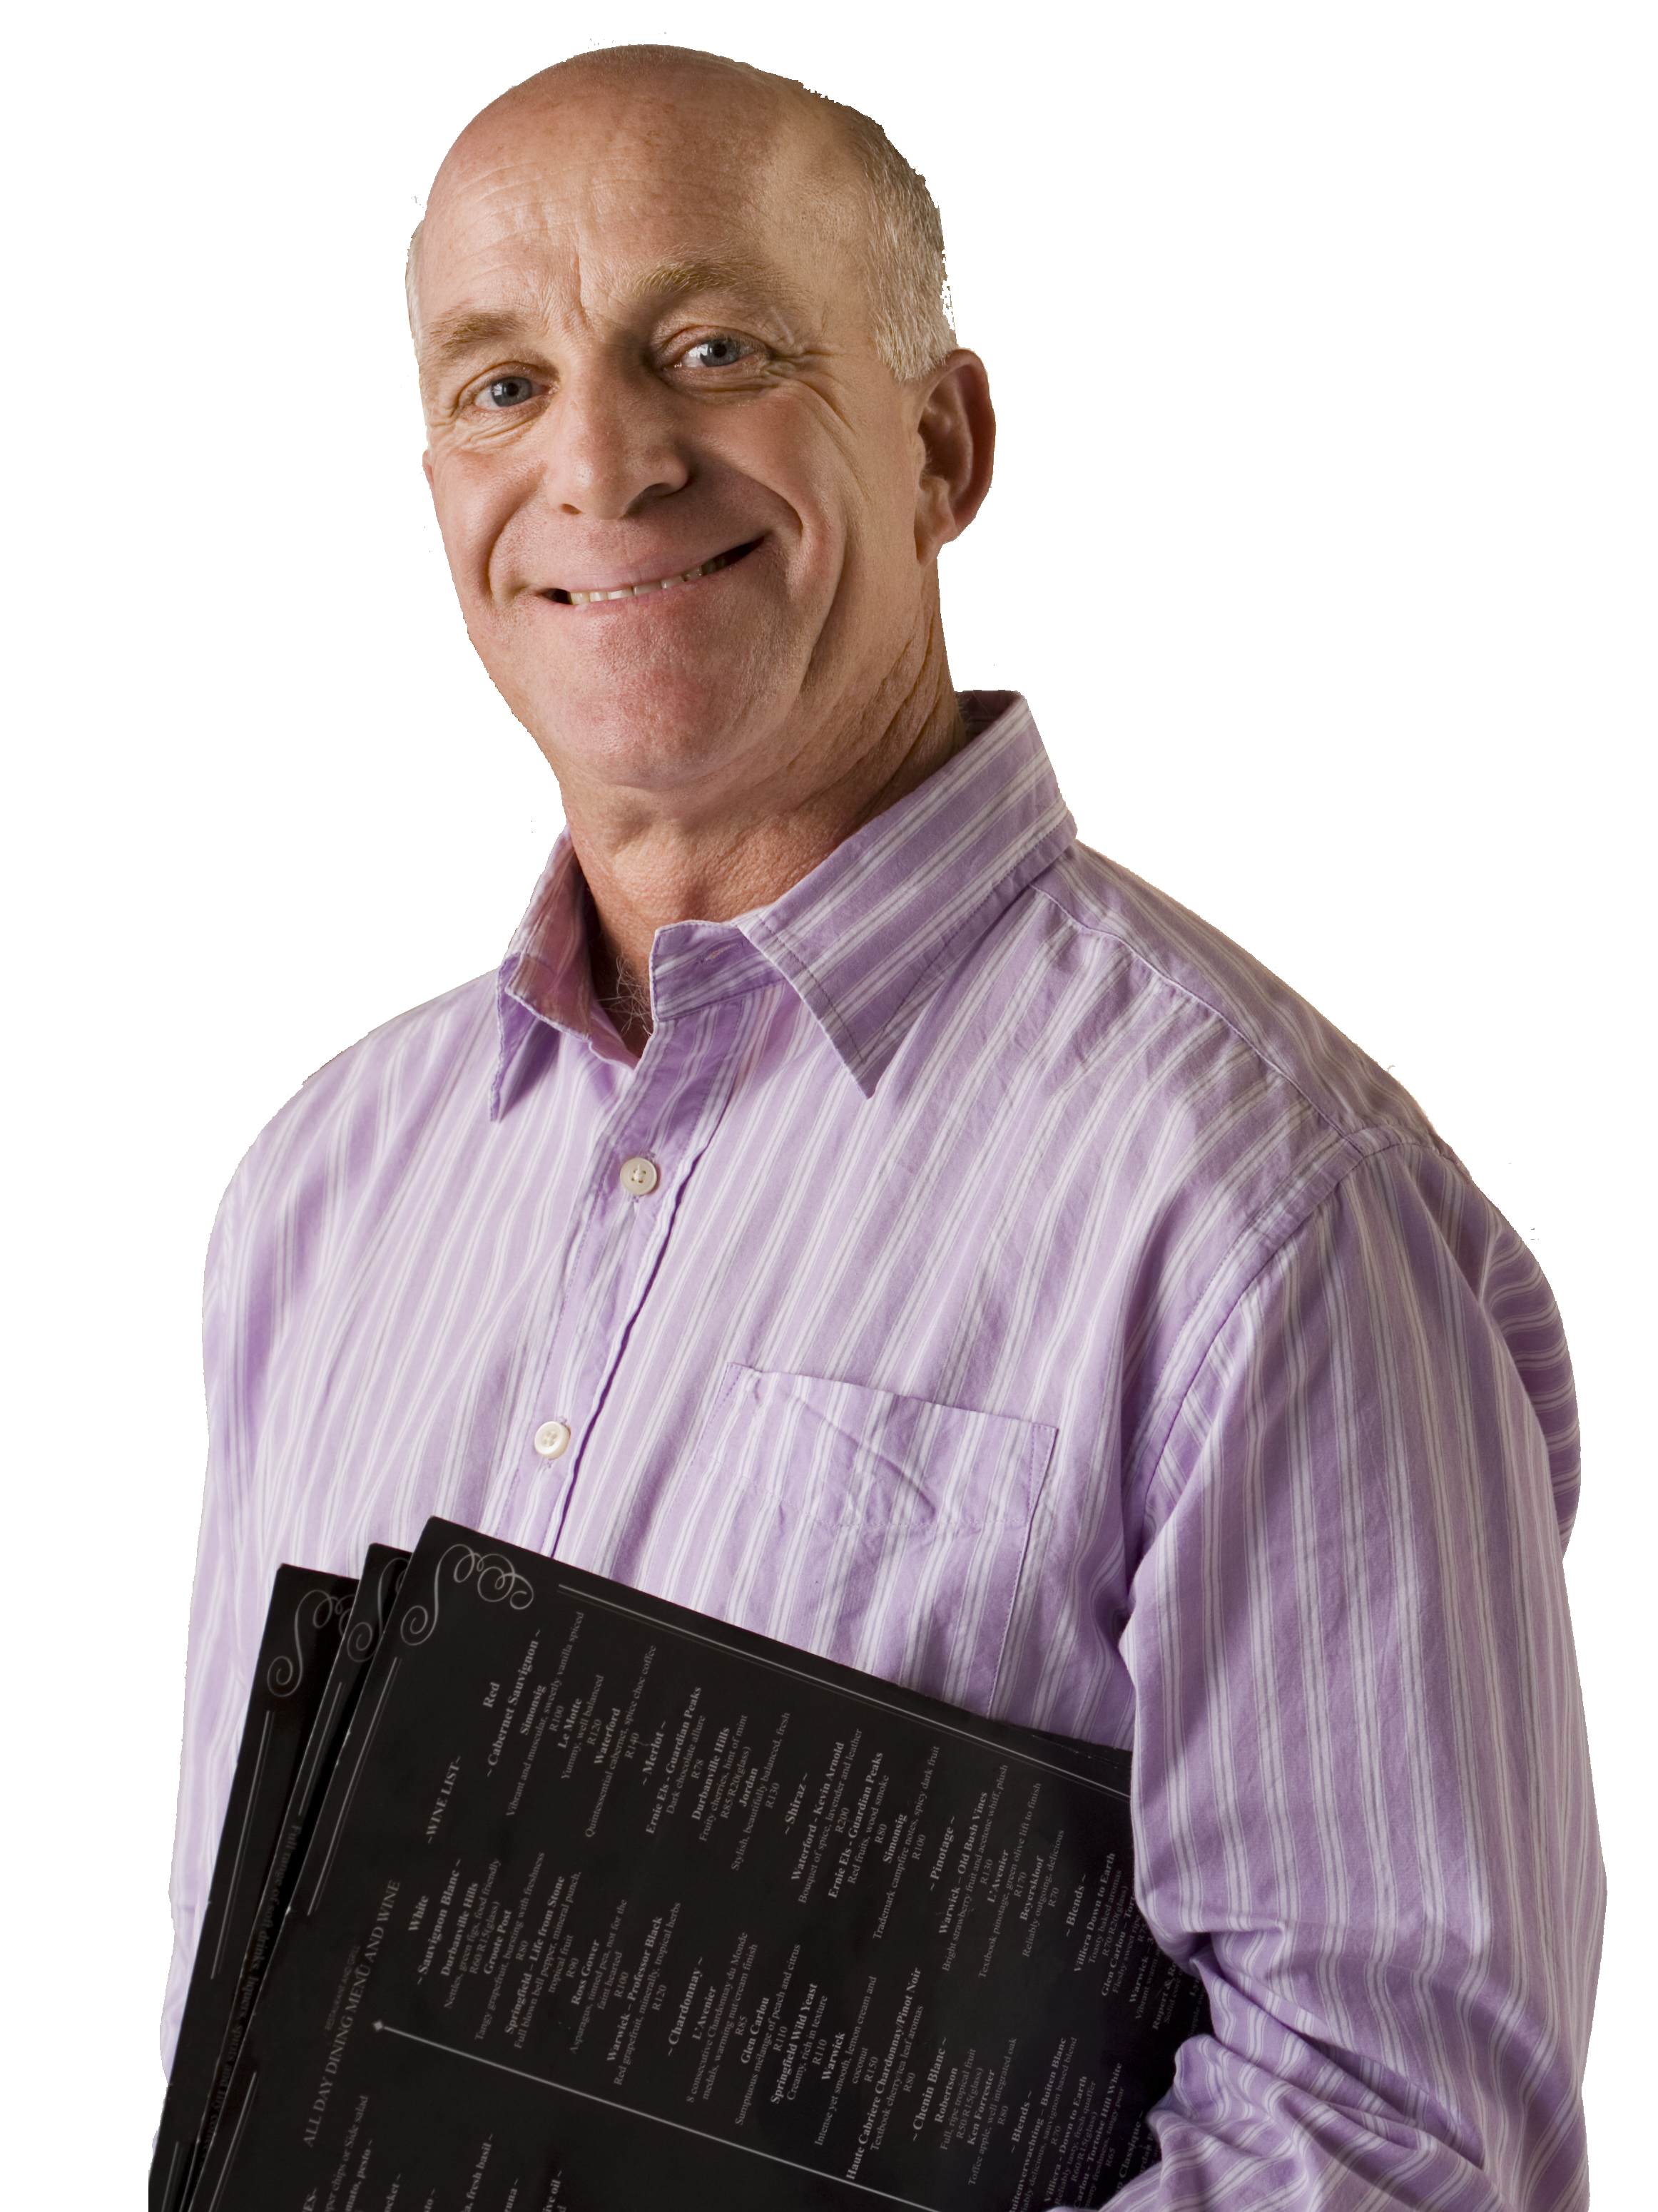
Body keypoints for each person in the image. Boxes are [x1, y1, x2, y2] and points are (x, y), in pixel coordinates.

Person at [167, 42, 1602, 2210]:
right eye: (496, 386)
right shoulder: (323, 1188)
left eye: (711, 347)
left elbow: (1405, 2144)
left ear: (939, 444)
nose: (604, 462)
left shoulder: (1257, 1202)